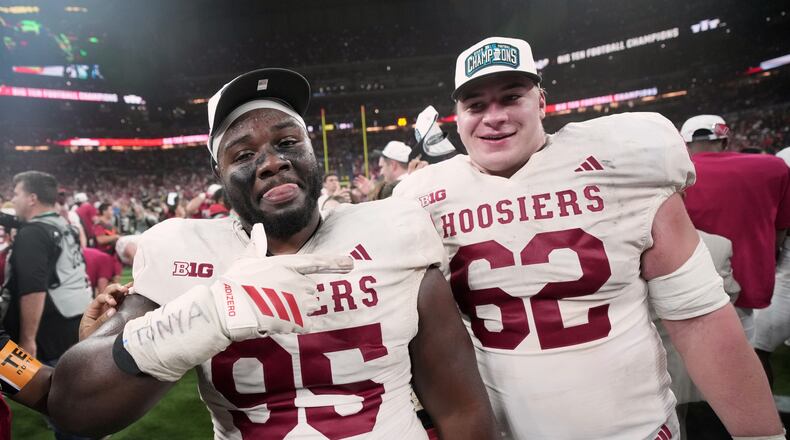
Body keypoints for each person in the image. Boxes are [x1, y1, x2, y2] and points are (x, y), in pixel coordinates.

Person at [48, 67, 496, 439]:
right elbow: (73, 407)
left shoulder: (392, 229)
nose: (271, 161)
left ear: (312, 150)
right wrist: (212, 312)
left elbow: (461, 409)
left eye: (286, 142)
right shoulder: (183, 250)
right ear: (218, 172)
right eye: (244, 154)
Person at [394, 36, 783, 439]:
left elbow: (699, 319)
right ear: (458, 117)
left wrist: (762, 436)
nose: (494, 117)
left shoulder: (621, 161)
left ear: (541, 102)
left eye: (511, 97)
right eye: (476, 105)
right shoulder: (424, 200)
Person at [682, 114, 790, 342]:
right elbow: (780, 230)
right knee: (744, 357)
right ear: (724, 141)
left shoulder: (675, 175)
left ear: (685, 144)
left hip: (689, 286)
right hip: (746, 283)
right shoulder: (773, 167)